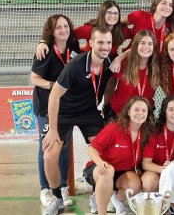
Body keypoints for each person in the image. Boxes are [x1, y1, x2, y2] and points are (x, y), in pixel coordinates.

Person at [41, 26, 113, 215]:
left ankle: (96, 194)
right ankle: (56, 198)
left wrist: (121, 57)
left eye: (108, 43)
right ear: (91, 43)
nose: (105, 47)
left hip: (89, 112)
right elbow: (54, 96)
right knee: (49, 155)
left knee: (105, 151)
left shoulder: (110, 62)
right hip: (64, 111)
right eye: (100, 42)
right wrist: (53, 129)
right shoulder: (76, 64)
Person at [31, 14, 79, 208]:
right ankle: (46, 190)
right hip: (45, 107)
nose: (63, 30)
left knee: (64, 147)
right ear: (51, 31)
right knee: (48, 147)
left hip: (65, 109)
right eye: (58, 27)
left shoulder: (72, 48)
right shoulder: (45, 51)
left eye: (66, 26)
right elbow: (35, 78)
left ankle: (63, 187)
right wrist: (55, 86)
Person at [84, 96, 155, 215]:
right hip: (101, 168)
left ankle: (115, 199)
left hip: (123, 172)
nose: (140, 113)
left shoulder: (146, 133)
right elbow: (92, 149)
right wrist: (100, 162)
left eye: (144, 110)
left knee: (135, 185)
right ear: (128, 111)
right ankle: (101, 210)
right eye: (136, 109)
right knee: (108, 171)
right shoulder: (114, 128)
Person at [110, 0, 174, 73]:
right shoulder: (140, 16)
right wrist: (118, 57)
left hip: (154, 69)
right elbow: (116, 23)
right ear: (156, 4)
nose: (167, 7)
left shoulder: (171, 27)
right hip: (132, 63)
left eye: (171, 5)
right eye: (164, 3)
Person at [37, 0, 131, 59]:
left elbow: (138, 36)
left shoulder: (122, 30)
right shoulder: (89, 29)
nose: (112, 16)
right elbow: (65, 34)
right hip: (87, 62)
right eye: (109, 13)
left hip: (109, 62)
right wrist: (43, 42)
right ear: (102, 14)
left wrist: (125, 52)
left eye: (115, 13)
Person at [103, 30, 160, 120]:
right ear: (136, 45)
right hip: (119, 113)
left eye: (150, 43)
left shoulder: (157, 67)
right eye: (142, 43)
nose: (146, 47)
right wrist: (106, 106)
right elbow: (110, 85)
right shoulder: (123, 64)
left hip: (143, 114)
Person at [141, 95, 174, 192]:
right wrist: (166, 170)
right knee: (149, 180)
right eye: (171, 109)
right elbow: (146, 164)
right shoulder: (154, 133)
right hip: (157, 171)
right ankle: (154, 205)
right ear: (165, 112)